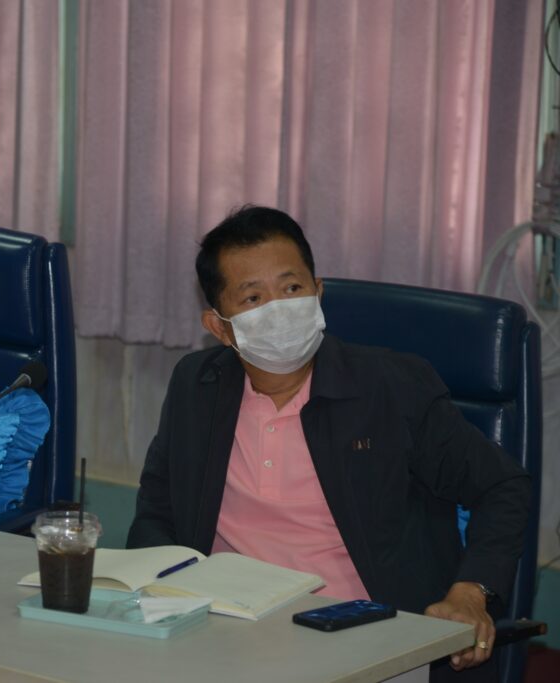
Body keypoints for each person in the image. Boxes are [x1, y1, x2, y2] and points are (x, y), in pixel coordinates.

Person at [126, 206, 530, 681]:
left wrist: (471, 592)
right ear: (219, 327)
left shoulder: (391, 386)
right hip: (223, 633)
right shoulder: (197, 385)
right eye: (253, 297)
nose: (278, 309)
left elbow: (503, 486)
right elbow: (157, 508)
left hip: (366, 642)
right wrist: (159, 592)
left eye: (291, 288)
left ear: (317, 293)